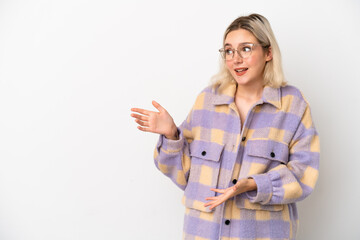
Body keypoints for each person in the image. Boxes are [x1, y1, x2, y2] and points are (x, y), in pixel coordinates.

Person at [130, 13, 319, 240]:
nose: (235, 59)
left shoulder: (293, 105)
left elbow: (304, 175)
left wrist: (252, 184)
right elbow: (185, 177)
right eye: (229, 50)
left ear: (268, 52)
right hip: (203, 232)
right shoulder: (207, 101)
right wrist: (171, 135)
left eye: (246, 49)